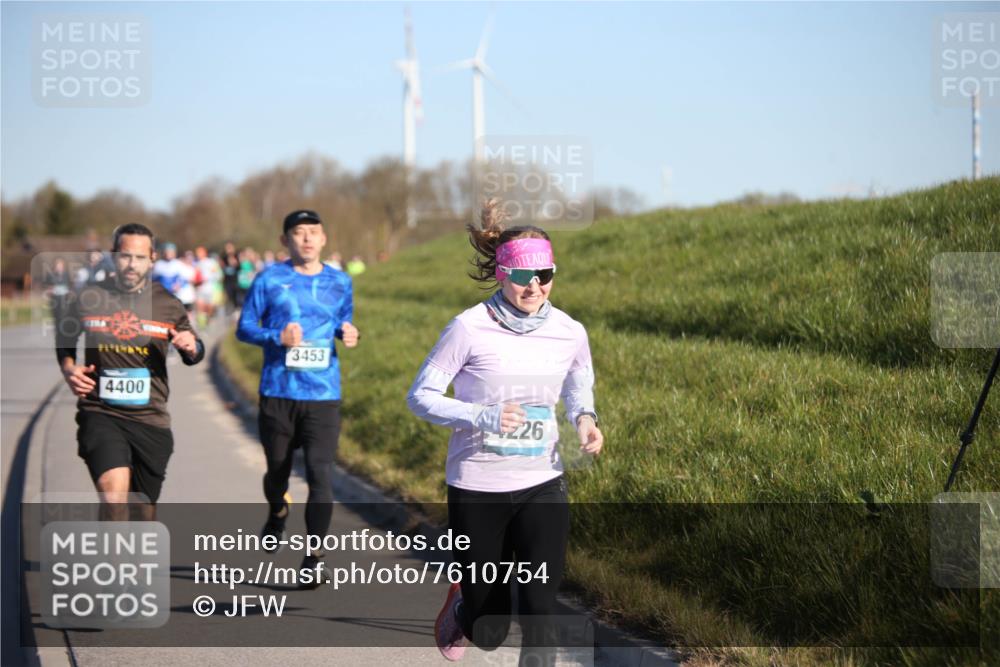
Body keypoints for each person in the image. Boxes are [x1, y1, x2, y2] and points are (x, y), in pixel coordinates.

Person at [407, 200, 603, 662]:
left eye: (545, 274)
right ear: (501, 273)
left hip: (542, 483)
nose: (534, 286)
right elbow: (420, 396)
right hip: (478, 487)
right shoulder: (468, 328)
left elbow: (579, 383)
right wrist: (482, 416)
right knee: (489, 628)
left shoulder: (570, 331)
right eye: (521, 276)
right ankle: (463, 608)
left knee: (539, 609)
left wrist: (586, 419)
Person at [236, 209, 359, 588]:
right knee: (277, 469)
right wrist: (277, 338)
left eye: (313, 233)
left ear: (324, 239)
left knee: (321, 473)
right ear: (285, 241)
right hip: (278, 391)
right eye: (298, 233)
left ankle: (315, 556)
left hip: (323, 392)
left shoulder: (340, 282)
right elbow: (245, 328)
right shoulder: (270, 278)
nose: (306, 239)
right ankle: (277, 510)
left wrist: (347, 332)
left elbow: (343, 320)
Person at [55, 223, 205, 521]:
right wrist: (69, 369)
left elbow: (195, 350)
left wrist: (192, 347)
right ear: (113, 256)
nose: (131, 264)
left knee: (142, 513)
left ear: (152, 258)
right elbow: (65, 339)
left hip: (150, 417)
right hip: (101, 411)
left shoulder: (167, 303)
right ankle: (115, 568)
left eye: (139, 257)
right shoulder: (88, 297)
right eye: (124, 256)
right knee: (113, 497)